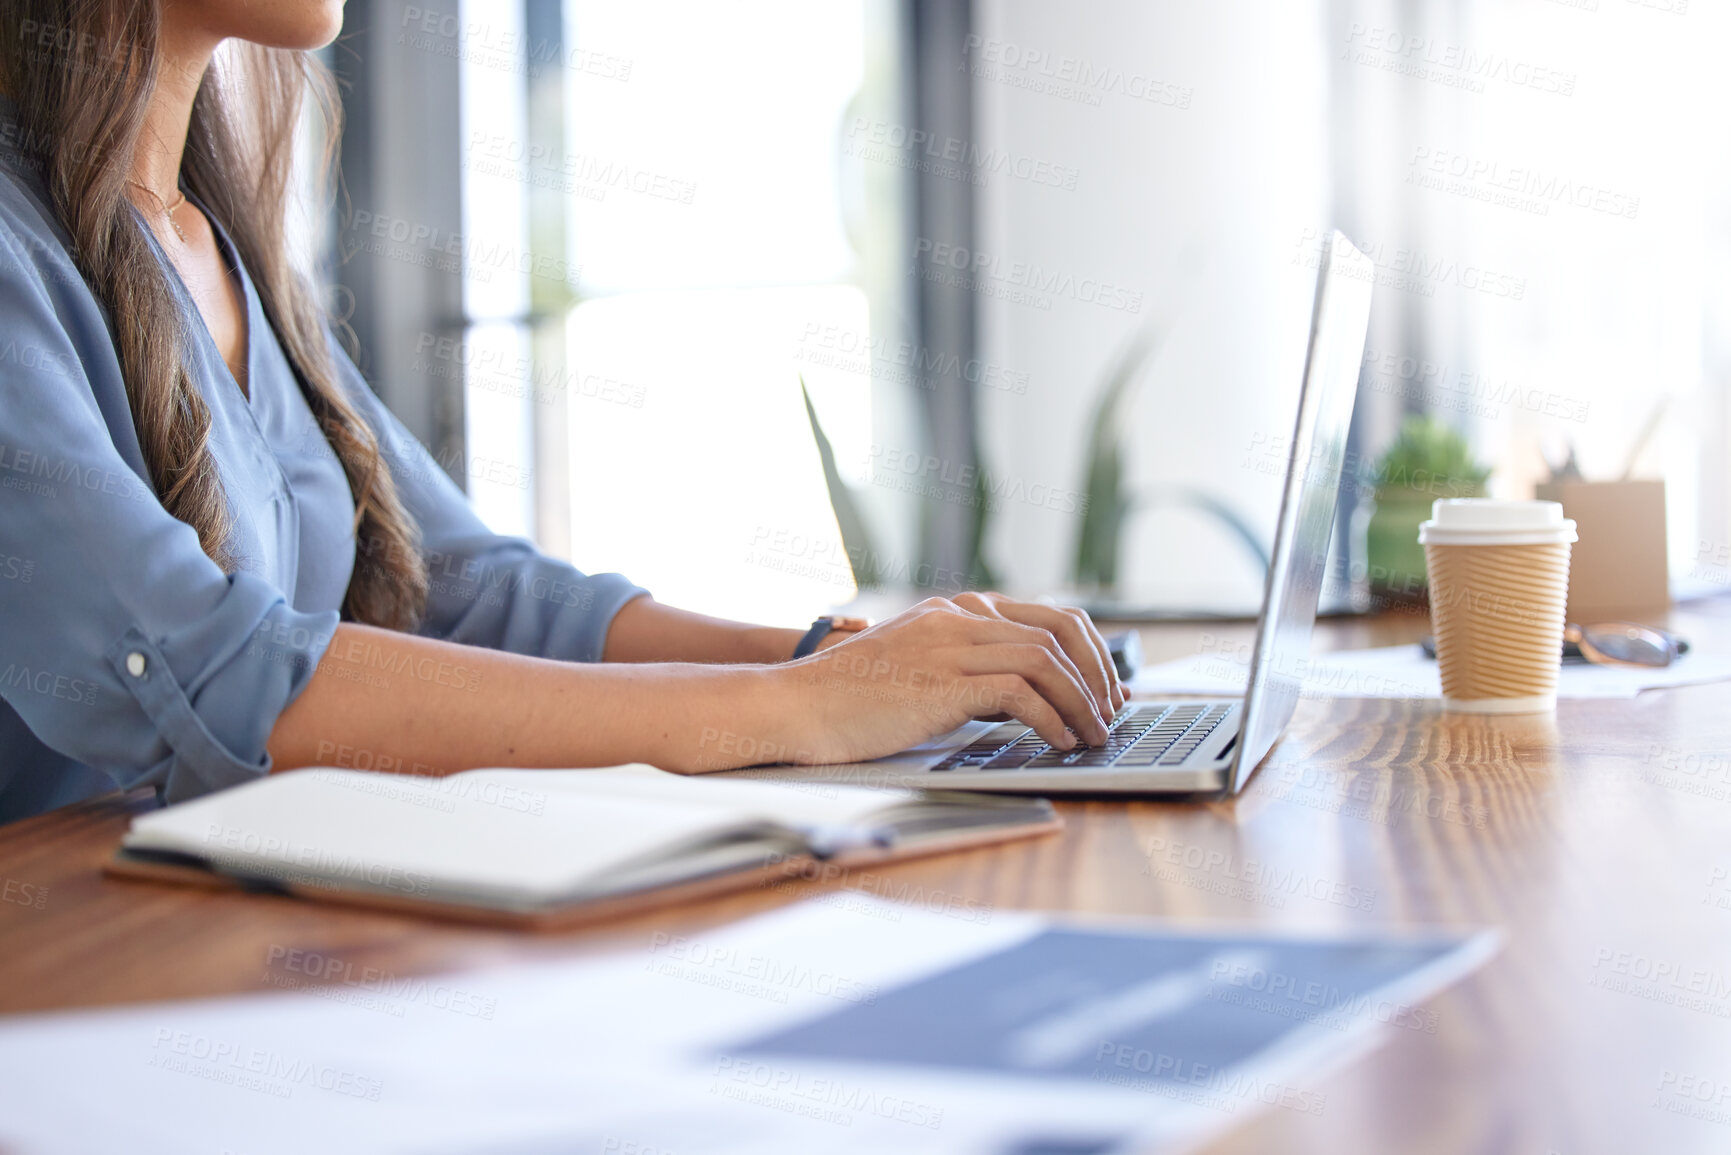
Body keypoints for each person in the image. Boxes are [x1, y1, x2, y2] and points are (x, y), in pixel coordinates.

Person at [0, 0, 1121, 825]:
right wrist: (795, 711)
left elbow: (472, 590)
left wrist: (837, 658)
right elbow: (205, 675)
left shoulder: (218, 248)